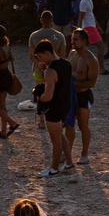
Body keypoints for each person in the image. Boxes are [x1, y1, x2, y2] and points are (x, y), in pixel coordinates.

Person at [37, 39, 75, 175]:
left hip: (53, 108)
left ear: (47, 53)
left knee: (55, 141)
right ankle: (69, 163)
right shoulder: (66, 64)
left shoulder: (51, 71)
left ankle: (53, 168)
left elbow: (48, 96)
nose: (40, 60)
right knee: (60, 135)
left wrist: (38, 97)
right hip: (65, 105)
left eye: (40, 56)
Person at [69, 29, 101, 163]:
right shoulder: (71, 54)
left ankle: (84, 153)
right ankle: (67, 153)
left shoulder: (91, 60)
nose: (73, 42)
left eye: (76, 39)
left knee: (83, 126)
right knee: (69, 125)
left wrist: (76, 84)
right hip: (70, 95)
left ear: (84, 41)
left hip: (83, 95)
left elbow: (92, 82)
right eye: (72, 39)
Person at [0, 26, 21, 136]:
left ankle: (12, 123)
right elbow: (9, 59)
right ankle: (3, 132)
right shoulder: (7, 46)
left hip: (0, 78)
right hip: (7, 75)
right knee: (2, 105)